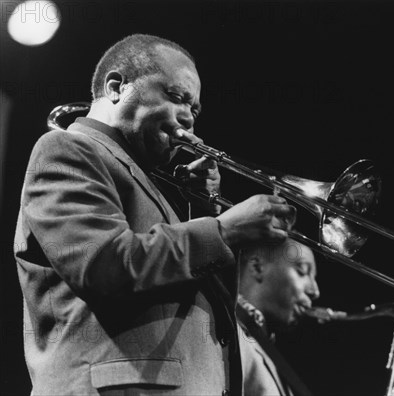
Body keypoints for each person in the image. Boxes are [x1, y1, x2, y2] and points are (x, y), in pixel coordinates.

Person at [13, 33, 296, 396]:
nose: (188, 120)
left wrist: (203, 210)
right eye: (177, 97)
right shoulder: (67, 148)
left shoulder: (149, 184)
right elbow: (103, 265)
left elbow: (196, 306)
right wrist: (222, 231)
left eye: (194, 111)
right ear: (117, 86)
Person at [236, 238, 320, 396]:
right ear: (257, 267)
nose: (315, 291)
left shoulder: (265, 346)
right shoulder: (224, 330)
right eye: (302, 271)